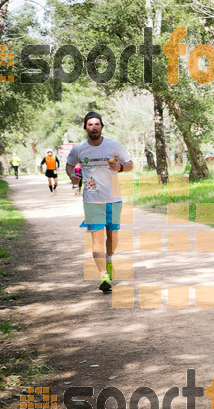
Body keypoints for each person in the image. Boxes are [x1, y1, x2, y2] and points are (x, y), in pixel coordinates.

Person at [66, 112, 133, 294]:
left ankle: (109, 259)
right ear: (85, 127)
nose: (93, 127)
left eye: (96, 124)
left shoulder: (113, 145)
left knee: (112, 236)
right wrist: (72, 176)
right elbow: (69, 165)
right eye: (90, 124)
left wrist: (120, 168)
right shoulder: (79, 148)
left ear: (101, 126)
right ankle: (103, 276)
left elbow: (129, 163)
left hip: (113, 198)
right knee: (96, 238)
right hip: (92, 200)